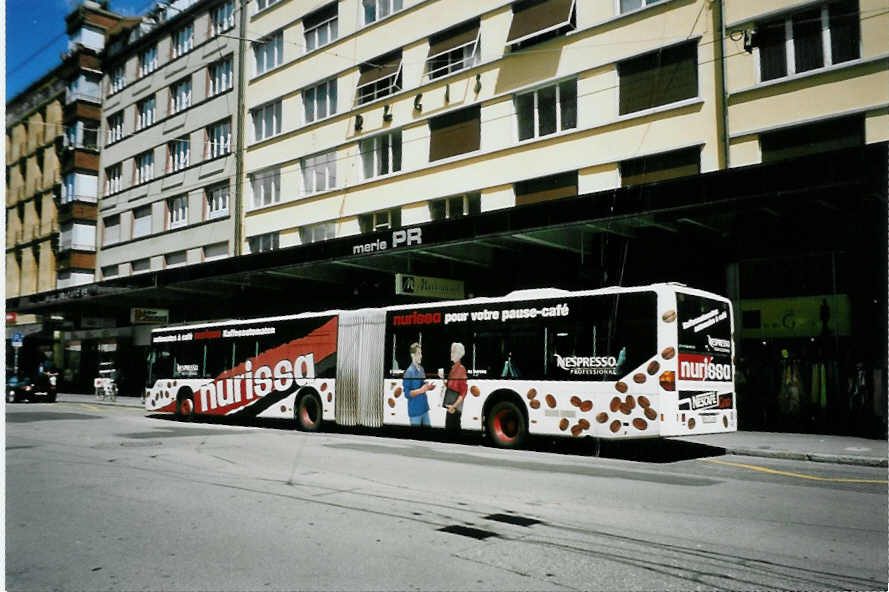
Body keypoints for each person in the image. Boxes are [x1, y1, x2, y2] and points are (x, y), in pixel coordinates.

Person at [403, 343, 434, 426]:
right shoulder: (408, 372)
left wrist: (428, 387)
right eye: (419, 353)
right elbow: (407, 394)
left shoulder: (421, 369)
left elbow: (422, 384)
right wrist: (421, 390)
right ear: (413, 355)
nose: (421, 356)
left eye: (421, 353)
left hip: (424, 409)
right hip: (415, 412)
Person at [442, 342, 468, 437]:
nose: (451, 354)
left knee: (453, 431)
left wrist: (454, 406)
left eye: (453, 352)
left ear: (458, 354)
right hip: (450, 407)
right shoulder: (453, 368)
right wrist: (442, 379)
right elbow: (451, 385)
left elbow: (463, 392)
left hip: (454, 408)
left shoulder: (461, 369)